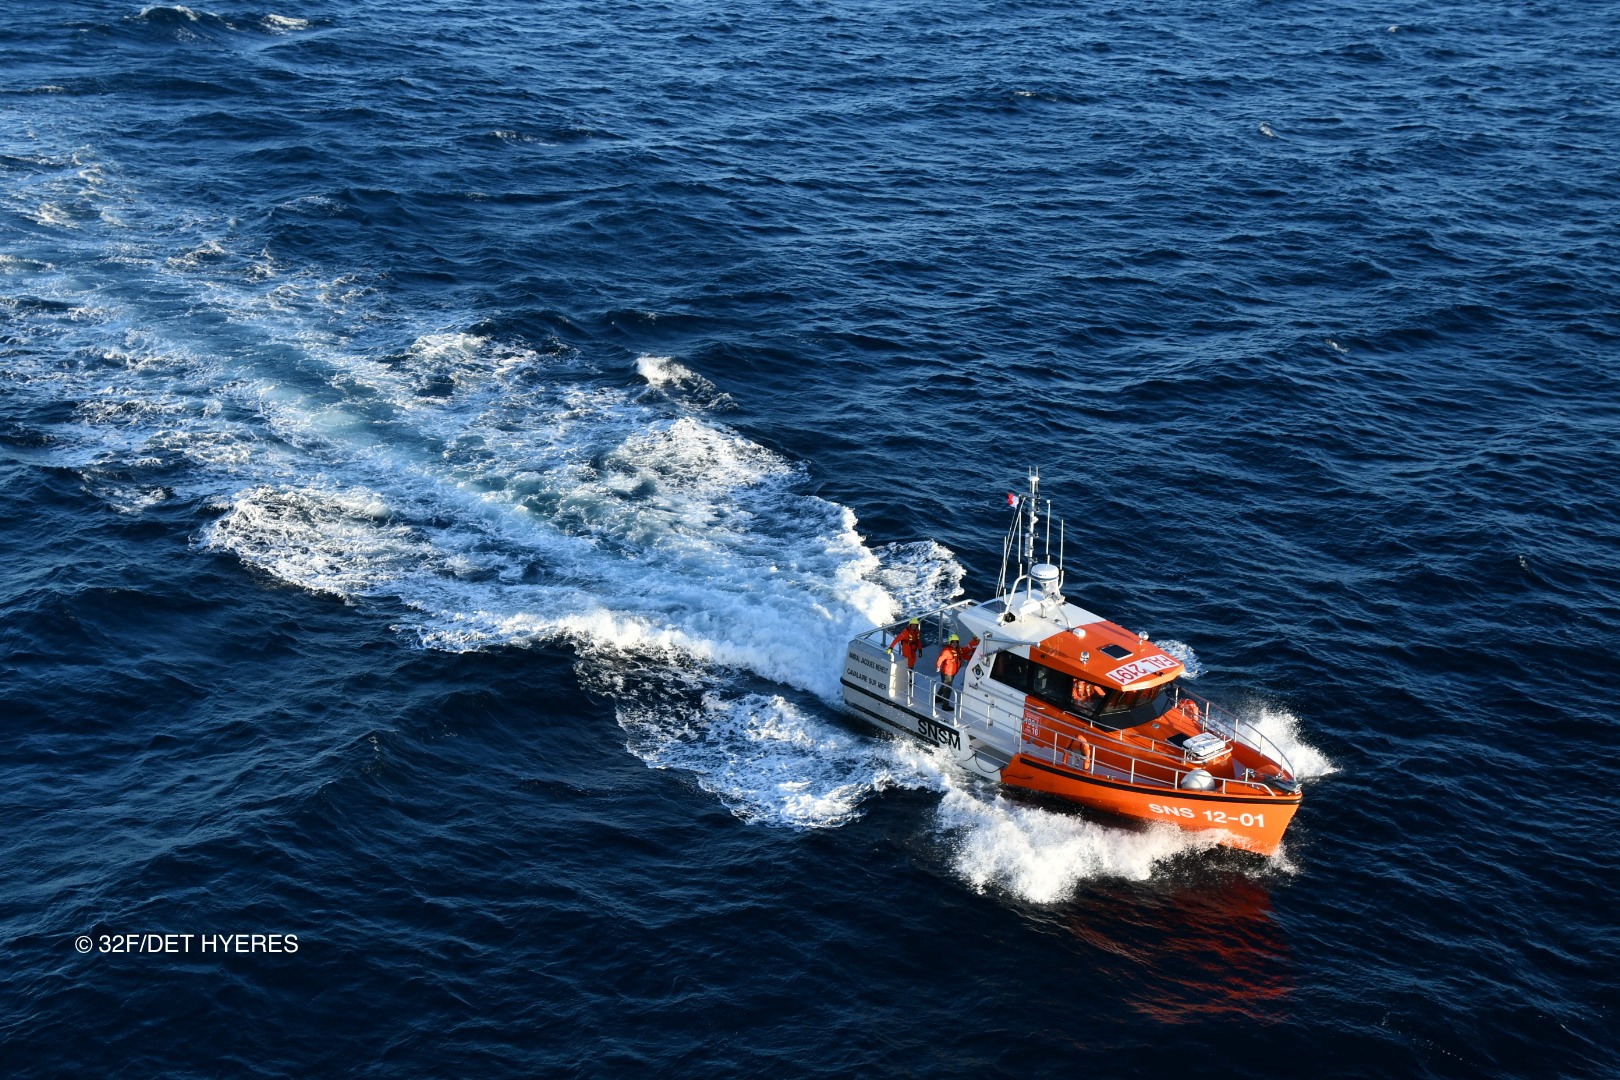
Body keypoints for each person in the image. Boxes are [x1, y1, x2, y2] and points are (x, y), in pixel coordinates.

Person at [936, 633, 968, 706]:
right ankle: (945, 706)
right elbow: (940, 659)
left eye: (956, 642)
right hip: (947, 673)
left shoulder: (957, 649)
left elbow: (962, 655)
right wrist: (938, 666)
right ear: (950, 642)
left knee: (944, 685)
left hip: (952, 672)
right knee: (947, 689)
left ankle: (937, 699)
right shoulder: (947, 651)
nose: (954, 643)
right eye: (953, 642)